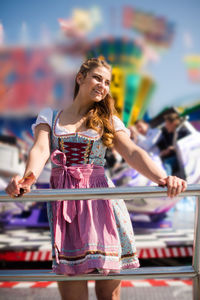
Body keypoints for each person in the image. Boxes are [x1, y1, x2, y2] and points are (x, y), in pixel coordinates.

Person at [5, 58, 187, 300]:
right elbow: (40, 150)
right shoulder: (50, 116)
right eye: (97, 78)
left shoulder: (109, 119)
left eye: (107, 82)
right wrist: (27, 180)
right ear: (80, 78)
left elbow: (132, 152)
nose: (103, 85)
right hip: (65, 204)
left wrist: (164, 178)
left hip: (103, 203)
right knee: (72, 293)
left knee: (109, 295)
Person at [156, 112, 190, 179]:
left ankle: (165, 180)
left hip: (183, 157)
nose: (165, 126)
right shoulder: (169, 134)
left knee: (167, 163)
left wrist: (172, 148)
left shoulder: (183, 131)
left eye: (167, 124)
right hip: (175, 156)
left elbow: (187, 145)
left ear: (173, 123)